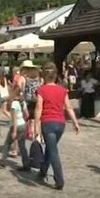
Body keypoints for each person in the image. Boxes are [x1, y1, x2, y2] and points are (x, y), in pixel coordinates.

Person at [34, 62, 80, 190]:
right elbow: (68, 107)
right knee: (50, 148)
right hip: (60, 124)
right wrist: (75, 122)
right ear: (55, 76)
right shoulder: (63, 90)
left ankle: (59, 180)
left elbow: (38, 108)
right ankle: (43, 171)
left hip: (47, 123)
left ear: (44, 75)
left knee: (53, 152)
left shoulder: (41, 90)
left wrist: (35, 126)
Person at [0, 85, 30, 171]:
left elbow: (14, 119)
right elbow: (27, 115)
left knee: (7, 144)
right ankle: (26, 165)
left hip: (16, 126)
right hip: (23, 124)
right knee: (22, 146)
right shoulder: (22, 102)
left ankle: (3, 162)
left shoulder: (14, 104)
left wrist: (14, 131)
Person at [18, 60, 42, 140]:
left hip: (27, 101)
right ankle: (37, 135)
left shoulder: (23, 78)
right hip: (37, 99)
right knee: (36, 119)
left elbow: (20, 89)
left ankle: (28, 133)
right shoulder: (38, 78)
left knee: (27, 118)